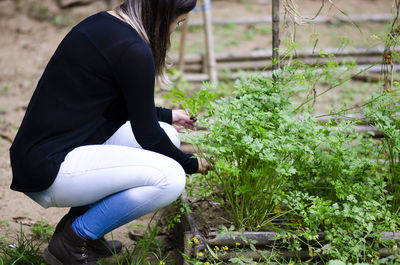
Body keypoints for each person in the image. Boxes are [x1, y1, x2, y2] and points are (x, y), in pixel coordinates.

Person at [9, 0, 210, 264]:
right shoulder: (134, 50)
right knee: (171, 177)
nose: (174, 30)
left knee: (169, 134)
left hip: (43, 152)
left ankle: (84, 226)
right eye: (178, 22)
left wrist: (168, 115)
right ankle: (72, 240)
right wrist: (190, 164)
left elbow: (111, 105)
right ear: (162, 16)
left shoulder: (104, 25)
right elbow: (147, 134)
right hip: (50, 169)